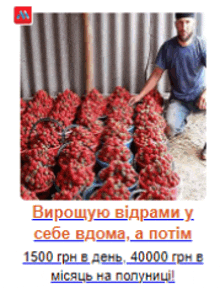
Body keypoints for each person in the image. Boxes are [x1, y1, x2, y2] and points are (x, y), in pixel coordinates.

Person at [129, 13, 206, 159]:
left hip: (199, 96)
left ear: (194, 24)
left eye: (188, 22)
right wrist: (140, 95)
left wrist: (207, 93)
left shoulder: (201, 45)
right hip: (179, 99)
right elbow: (156, 74)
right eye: (181, 23)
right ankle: (181, 119)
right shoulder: (168, 48)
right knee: (169, 130)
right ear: (176, 24)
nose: (184, 27)